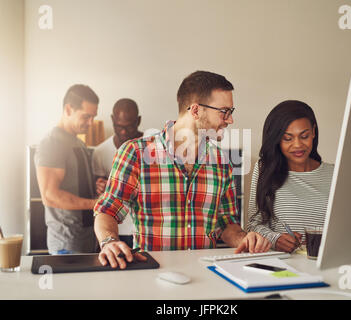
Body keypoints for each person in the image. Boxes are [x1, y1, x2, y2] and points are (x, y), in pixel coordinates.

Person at [94, 71, 271, 269]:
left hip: (207, 274)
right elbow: (107, 211)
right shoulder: (135, 153)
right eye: (224, 111)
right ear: (195, 111)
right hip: (153, 274)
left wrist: (245, 240)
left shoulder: (222, 162)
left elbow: (226, 223)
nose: (230, 120)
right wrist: (109, 242)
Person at [247, 100, 334, 253]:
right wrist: (276, 239)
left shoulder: (335, 173)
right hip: (283, 264)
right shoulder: (264, 170)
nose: (298, 145)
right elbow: (253, 225)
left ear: (313, 132)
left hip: (325, 260)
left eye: (304, 136)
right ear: (277, 140)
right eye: (288, 138)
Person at [35, 84, 100, 255]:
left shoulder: (78, 142)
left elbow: (76, 182)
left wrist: (95, 185)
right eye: (86, 116)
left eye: (93, 117)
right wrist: (95, 204)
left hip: (87, 237)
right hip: (66, 243)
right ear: (68, 109)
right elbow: (50, 196)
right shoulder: (52, 143)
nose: (91, 123)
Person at [92, 98, 143, 247]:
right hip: (116, 229)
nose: (123, 131)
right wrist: (100, 186)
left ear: (138, 121)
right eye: (119, 126)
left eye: (129, 127)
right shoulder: (100, 152)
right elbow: (101, 198)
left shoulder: (153, 147)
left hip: (143, 230)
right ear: (112, 120)